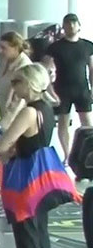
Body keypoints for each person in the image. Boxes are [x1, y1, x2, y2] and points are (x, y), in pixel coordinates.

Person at [0, 63, 79, 248]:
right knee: (39, 236)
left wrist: (10, 114)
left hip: (27, 181)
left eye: (17, 82)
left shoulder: (29, 112)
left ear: (29, 84)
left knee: (28, 240)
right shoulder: (46, 109)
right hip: (42, 177)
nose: (14, 87)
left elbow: (4, 143)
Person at [43, 14, 93, 159]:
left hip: (82, 88)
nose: (71, 26)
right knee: (63, 122)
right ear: (63, 26)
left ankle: (87, 155)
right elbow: (45, 70)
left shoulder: (87, 46)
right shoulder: (55, 47)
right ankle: (67, 155)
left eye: (73, 23)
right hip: (62, 89)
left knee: (87, 123)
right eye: (67, 23)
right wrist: (50, 91)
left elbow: (91, 69)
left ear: (79, 26)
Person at [0, 31, 33, 113]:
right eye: (0, 47)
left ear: (15, 48)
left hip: (15, 113)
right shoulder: (3, 59)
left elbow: (18, 99)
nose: (0, 51)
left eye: (3, 48)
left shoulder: (24, 66)